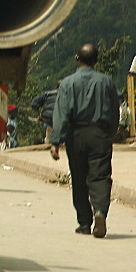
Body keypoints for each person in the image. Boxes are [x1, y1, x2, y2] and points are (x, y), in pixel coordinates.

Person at [50, 43, 120, 238]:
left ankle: (84, 223)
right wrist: (110, 133)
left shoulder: (67, 83)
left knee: (79, 178)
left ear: (77, 59)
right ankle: (99, 211)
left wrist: (56, 142)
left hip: (76, 134)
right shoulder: (107, 82)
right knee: (100, 175)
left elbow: (62, 114)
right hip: (100, 134)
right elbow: (115, 109)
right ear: (96, 61)